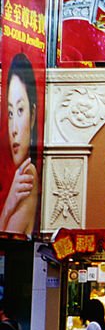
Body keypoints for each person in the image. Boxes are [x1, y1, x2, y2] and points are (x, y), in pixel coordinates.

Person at [0, 54, 39, 236]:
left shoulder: (27, 175)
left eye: (20, 110)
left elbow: (5, 242)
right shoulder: (16, 180)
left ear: (32, 114)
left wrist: (8, 206)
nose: (13, 128)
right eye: (10, 113)